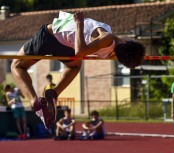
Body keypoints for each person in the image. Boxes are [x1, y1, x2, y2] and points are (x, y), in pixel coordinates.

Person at [11, 11, 145, 129]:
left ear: (128, 41)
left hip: (50, 36)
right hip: (65, 44)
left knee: (17, 66)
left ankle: (34, 101)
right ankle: (54, 93)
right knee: (74, 66)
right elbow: (126, 57)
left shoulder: (108, 37)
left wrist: (79, 23)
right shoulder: (110, 53)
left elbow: (80, 52)